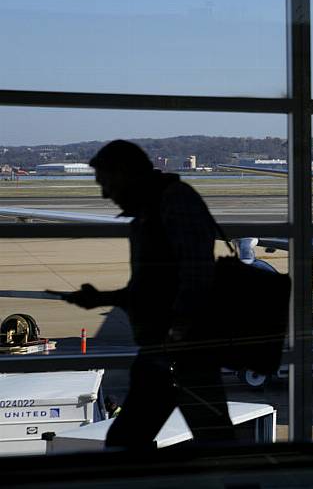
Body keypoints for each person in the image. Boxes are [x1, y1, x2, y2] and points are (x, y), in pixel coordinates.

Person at [61, 140, 234, 449]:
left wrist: (176, 336)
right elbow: (152, 289)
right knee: (214, 441)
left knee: (129, 440)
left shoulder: (173, 203)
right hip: (167, 352)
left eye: (107, 183)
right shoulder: (152, 208)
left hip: (179, 354)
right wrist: (102, 298)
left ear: (126, 174)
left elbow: (197, 276)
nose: (104, 194)